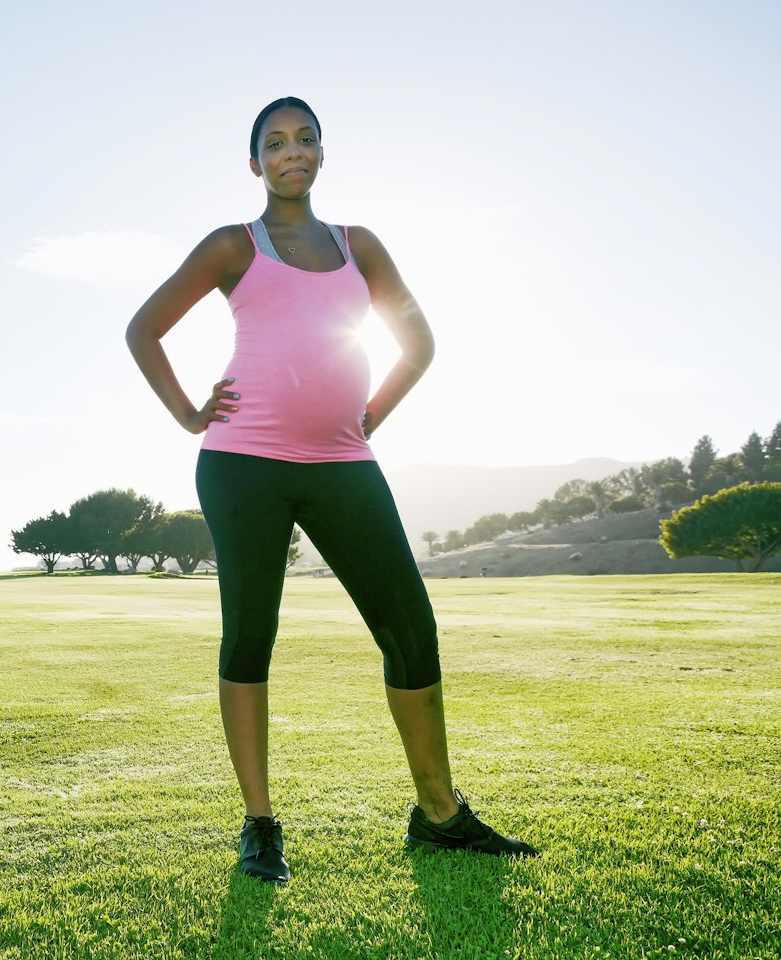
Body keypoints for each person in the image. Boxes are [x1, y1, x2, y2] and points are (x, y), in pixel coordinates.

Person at [125, 97, 535, 883]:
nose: (291, 151)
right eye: (275, 143)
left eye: (304, 138)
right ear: (256, 164)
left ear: (321, 154)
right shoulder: (231, 246)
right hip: (244, 464)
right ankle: (260, 824)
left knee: (411, 629)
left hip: (344, 463)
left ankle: (439, 815)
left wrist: (368, 415)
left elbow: (416, 343)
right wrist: (187, 414)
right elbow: (144, 328)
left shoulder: (360, 246)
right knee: (250, 635)